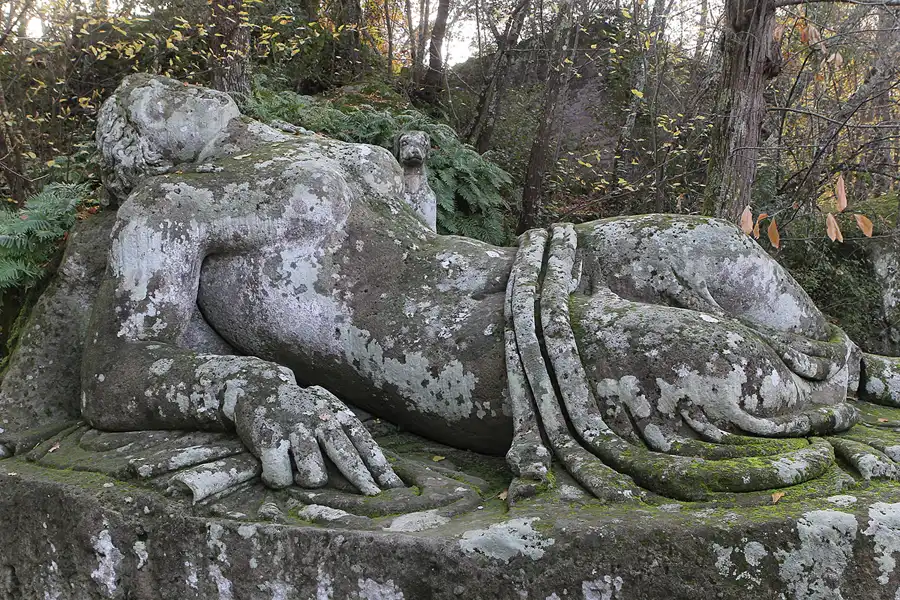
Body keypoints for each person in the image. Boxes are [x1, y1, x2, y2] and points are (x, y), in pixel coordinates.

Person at [82, 75, 867, 500]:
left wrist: (408, 185)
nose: (176, 92)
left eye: (167, 82)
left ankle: (854, 368)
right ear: (145, 153)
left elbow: (389, 243)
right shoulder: (172, 204)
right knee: (726, 370)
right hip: (473, 353)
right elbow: (117, 374)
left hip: (522, 264)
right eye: (151, 103)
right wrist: (248, 392)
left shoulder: (318, 152)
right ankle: (823, 389)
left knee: (713, 248)